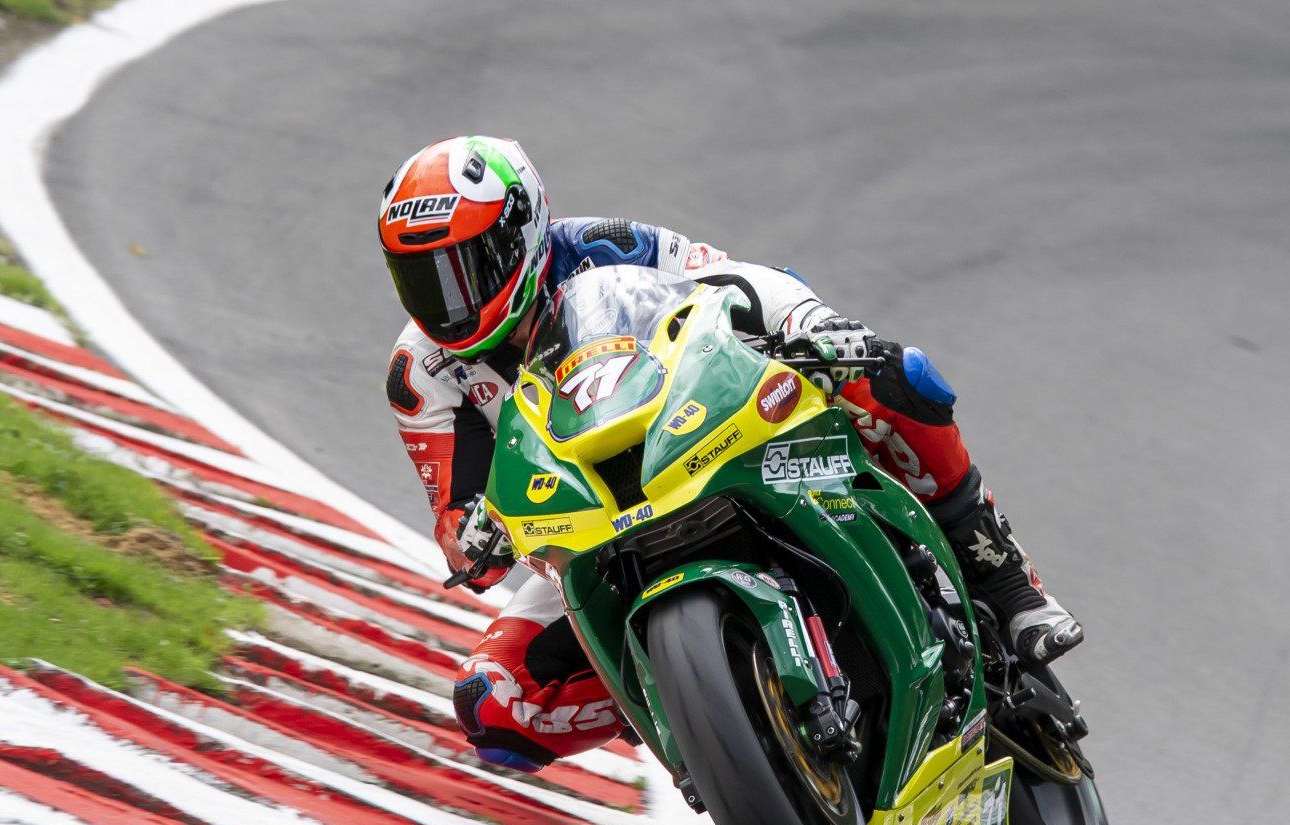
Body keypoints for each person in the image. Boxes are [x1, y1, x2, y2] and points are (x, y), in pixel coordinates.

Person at [379, 135, 1081, 773]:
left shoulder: (607, 244)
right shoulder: (419, 373)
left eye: (464, 268)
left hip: (702, 438)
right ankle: (689, 708)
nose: (447, 303)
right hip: (589, 529)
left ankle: (1002, 577)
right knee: (494, 707)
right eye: (421, 278)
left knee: (895, 377)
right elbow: (456, 524)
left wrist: (814, 327)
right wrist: (474, 536)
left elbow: (737, 283)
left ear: (519, 235)